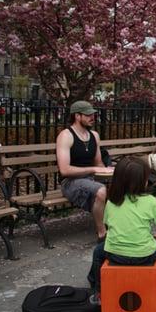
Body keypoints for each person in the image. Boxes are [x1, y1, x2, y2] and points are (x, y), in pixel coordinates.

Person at [88, 156, 156, 311]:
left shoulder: (112, 201)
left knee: (98, 252)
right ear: (142, 181)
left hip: (114, 253)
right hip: (144, 254)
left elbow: (108, 223)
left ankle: (99, 292)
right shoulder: (151, 201)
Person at [56, 100, 113, 242]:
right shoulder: (66, 136)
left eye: (93, 114)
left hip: (91, 180)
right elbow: (64, 170)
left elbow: (99, 164)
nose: (92, 118)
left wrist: (110, 172)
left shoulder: (94, 135)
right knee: (101, 191)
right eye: (88, 115)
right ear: (77, 116)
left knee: (123, 182)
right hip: (71, 182)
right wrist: (94, 169)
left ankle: (122, 225)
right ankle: (102, 234)